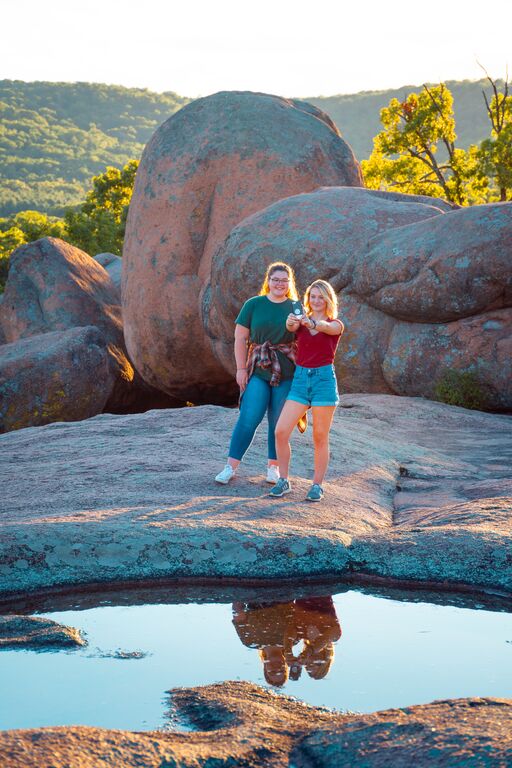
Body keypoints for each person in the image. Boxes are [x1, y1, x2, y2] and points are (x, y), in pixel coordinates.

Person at [215, 262, 300, 485]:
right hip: (259, 369)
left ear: (289, 283)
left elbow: (306, 340)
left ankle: (273, 467)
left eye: (284, 280)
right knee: (248, 417)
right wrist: (241, 369)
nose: (280, 284)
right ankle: (230, 467)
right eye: (276, 279)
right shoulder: (253, 304)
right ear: (268, 281)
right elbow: (240, 339)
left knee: (278, 422)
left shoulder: (296, 307)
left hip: (287, 372)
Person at [269, 279, 344, 501]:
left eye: (321, 297)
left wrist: (312, 324)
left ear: (328, 299)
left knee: (320, 437)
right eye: (313, 296)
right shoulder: (300, 322)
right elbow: (290, 327)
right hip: (300, 381)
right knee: (280, 431)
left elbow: (327, 328)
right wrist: (292, 321)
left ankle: (317, 485)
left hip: (323, 382)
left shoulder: (336, 323)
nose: (316, 300)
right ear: (308, 298)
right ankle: (283, 480)